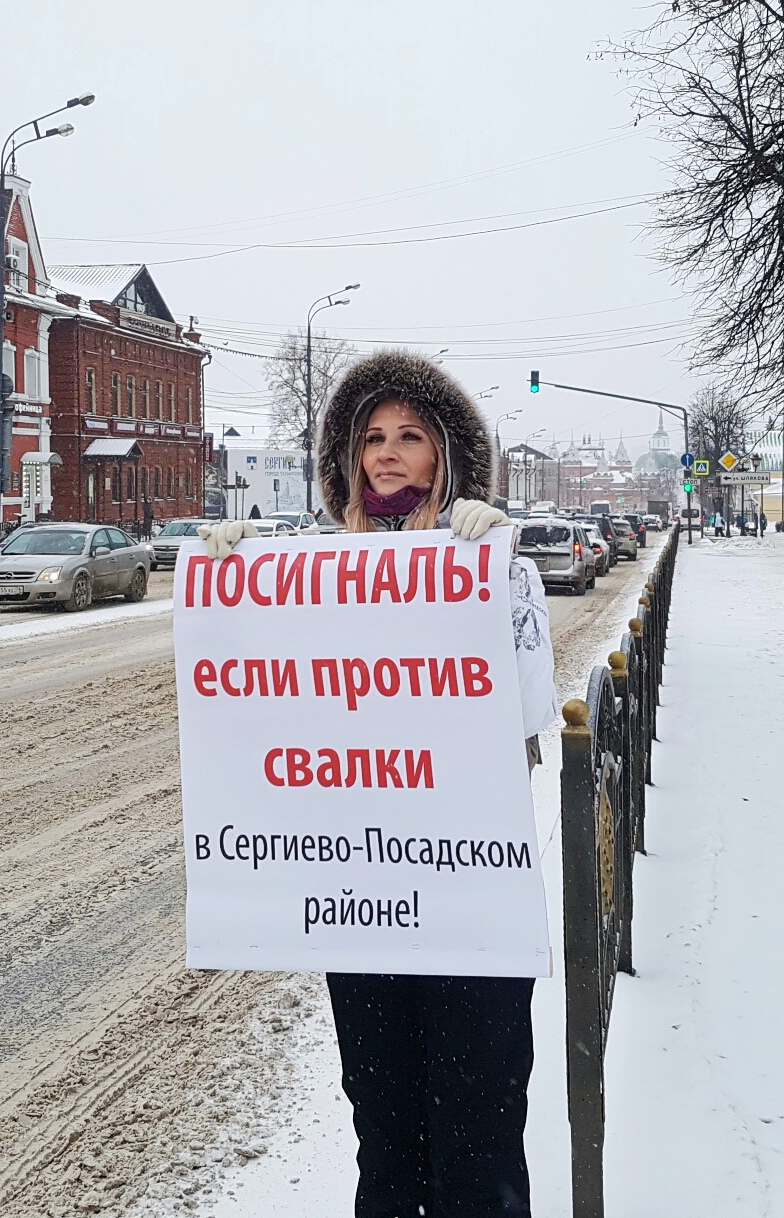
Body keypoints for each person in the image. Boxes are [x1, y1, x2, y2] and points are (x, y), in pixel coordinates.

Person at [197, 350, 554, 1218]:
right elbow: (272, 713)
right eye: (371, 439)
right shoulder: (315, 574)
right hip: (366, 903)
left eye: (410, 437)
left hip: (472, 902)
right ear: (348, 460)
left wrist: (497, 574)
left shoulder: (489, 561)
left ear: (446, 455)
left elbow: (529, 709)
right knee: (386, 1145)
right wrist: (233, 582)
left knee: (478, 1145)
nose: (387, 454)